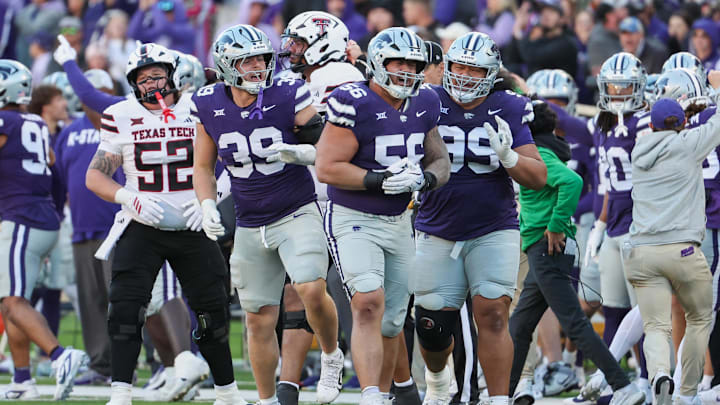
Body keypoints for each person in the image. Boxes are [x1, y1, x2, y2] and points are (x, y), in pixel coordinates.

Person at [192, 24, 343, 405]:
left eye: (262, 57)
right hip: (248, 220)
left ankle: (330, 353)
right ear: (227, 66)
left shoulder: (288, 90)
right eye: (248, 60)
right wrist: (207, 203)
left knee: (310, 287)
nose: (259, 66)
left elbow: (323, 140)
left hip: (295, 210)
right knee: (258, 317)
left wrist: (308, 152)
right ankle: (266, 399)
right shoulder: (208, 101)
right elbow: (202, 167)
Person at [85, 43, 243, 405]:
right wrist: (129, 198)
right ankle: (121, 394)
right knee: (125, 308)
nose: (150, 84)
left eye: (156, 75)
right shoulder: (120, 114)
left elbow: (235, 161)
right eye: (142, 78)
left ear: (174, 75)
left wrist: (208, 201)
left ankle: (228, 393)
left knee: (212, 311)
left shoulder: (200, 108)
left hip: (192, 223)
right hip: (143, 223)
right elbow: (95, 176)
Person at [315, 26, 451, 405]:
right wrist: (377, 180)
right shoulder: (353, 100)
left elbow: (441, 160)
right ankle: (371, 394)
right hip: (353, 215)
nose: (407, 71)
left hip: (399, 221)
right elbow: (327, 168)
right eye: (399, 63)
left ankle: (387, 394)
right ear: (377, 62)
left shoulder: (425, 101)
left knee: (392, 320)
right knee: (367, 301)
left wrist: (424, 179)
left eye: (414, 64)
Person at [412, 31, 546, 405]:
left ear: (490, 73)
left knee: (493, 315)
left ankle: (499, 398)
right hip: (438, 226)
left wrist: (511, 159)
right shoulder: (427, 100)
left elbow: (538, 176)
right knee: (432, 325)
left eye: (474, 70)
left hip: (493, 226)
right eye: (459, 67)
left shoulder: (510, 106)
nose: (465, 76)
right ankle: (438, 381)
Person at [508, 99, 645, 405]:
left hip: (547, 248)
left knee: (574, 323)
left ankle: (622, 386)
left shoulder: (539, 153)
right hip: (543, 250)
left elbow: (572, 181)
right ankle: (503, 394)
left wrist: (555, 224)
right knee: (518, 325)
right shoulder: (545, 149)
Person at [277, 11, 366, 405]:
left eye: (298, 42)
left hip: (345, 198)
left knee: (355, 295)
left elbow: (342, 139)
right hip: (311, 197)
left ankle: (378, 383)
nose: (291, 50)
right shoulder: (314, 78)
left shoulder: (338, 78)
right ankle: (288, 386)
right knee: (300, 290)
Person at [0, 59, 89, 400]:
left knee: (13, 300)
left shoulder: (6, 121)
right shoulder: (35, 122)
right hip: (43, 219)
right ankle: (23, 379)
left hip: (22, 219)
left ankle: (60, 355)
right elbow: (54, 172)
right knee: (11, 302)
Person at [625, 90, 719, 405]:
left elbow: (657, 130)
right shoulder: (688, 144)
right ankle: (687, 393)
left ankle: (660, 375)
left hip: (643, 252)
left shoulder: (638, 149)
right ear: (682, 124)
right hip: (683, 250)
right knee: (700, 318)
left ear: (651, 126)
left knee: (655, 326)